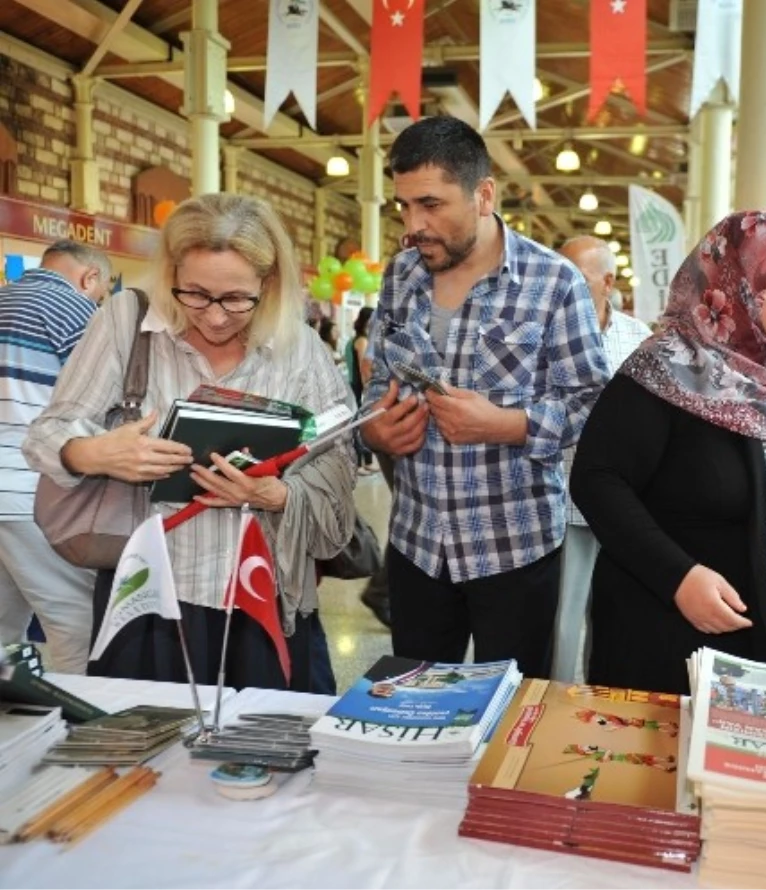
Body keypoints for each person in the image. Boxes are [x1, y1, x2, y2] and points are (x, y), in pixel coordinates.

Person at [24, 193, 355, 693]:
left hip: (263, 599)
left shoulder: (298, 346)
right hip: (150, 598)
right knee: (148, 753)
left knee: (264, 756)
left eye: (236, 299)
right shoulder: (127, 322)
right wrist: (97, 452)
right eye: (195, 294)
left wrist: (275, 495)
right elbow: (47, 433)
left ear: (268, 284)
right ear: (171, 273)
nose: (216, 317)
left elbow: (338, 462)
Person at [570, 211, 766, 697]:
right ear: (733, 278)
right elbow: (597, 478)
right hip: (690, 653)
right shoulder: (666, 368)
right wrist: (676, 576)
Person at [360, 116, 609, 679]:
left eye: (430, 204)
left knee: (513, 722)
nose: (412, 226)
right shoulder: (402, 275)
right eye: (402, 207)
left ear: (484, 196)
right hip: (417, 543)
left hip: (514, 547)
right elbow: (380, 386)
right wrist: (377, 428)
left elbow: (592, 405)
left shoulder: (554, 283)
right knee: (415, 705)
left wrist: (507, 425)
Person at [0, 240, 111, 673]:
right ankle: (75, 733)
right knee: (76, 623)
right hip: (31, 490)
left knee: (4, 630)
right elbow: (101, 405)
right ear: (91, 278)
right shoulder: (77, 312)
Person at [551, 235, 652, 683]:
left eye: (574, 276)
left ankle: (603, 709)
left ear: (607, 281)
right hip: (563, 498)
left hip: (624, 505)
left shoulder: (639, 340)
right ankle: (551, 708)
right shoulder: (546, 333)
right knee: (561, 624)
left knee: (616, 621)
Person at [346, 306, 378, 476]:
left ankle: (364, 462)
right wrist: (369, 388)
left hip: (353, 385)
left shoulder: (354, 340)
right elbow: (364, 367)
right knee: (360, 426)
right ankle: (361, 464)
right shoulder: (363, 341)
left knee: (356, 424)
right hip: (360, 387)